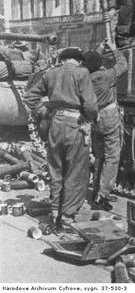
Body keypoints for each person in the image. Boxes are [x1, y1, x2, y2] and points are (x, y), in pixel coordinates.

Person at [24, 47, 98, 231]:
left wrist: (43, 112)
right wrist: (89, 117)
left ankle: (55, 213)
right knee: (76, 172)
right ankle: (66, 218)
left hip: (55, 124)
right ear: (79, 61)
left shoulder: (51, 73)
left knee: (56, 170)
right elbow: (91, 105)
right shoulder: (82, 73)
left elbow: (30, 96)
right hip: (75, 125)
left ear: (63, 59)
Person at [83, 40, 128, 211]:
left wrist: (100, 48)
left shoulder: (85, 77)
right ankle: (103, 195)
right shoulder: (105, 76)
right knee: (112, 157)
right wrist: (115, 50)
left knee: (99, 155)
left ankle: (96, 191)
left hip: (95, 119)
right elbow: (123, 65)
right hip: (109, 117)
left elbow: (91, 61)